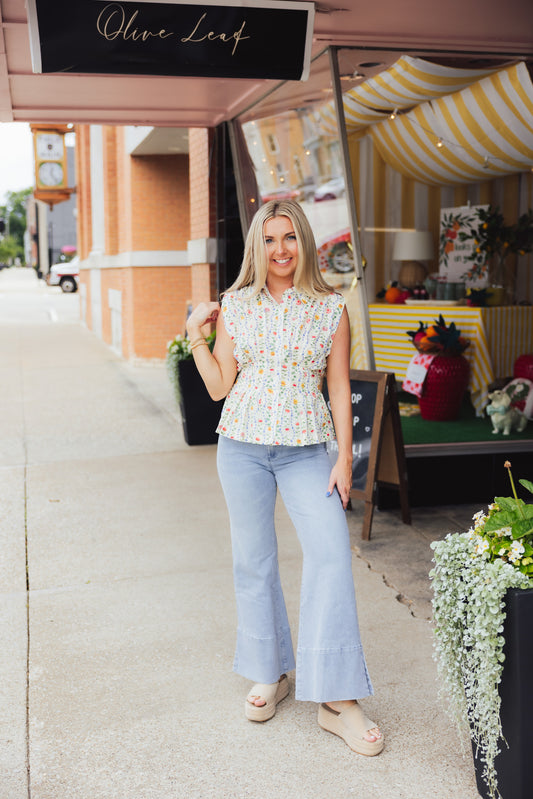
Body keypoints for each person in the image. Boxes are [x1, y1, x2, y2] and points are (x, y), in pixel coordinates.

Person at [185, 200, 383, 756]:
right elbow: (220, 386)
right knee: (253, 560)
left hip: (306, 451)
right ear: (257, 245)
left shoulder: (330, 308)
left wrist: (344, 459)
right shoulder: (236, 305)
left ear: (305, 243)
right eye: (270, 239)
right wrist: (196, 336)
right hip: (241, 447)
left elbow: (339, 386)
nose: (280, 250)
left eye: (290, 237)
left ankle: (336, 699)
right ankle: (269, 670)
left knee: (331, 554)